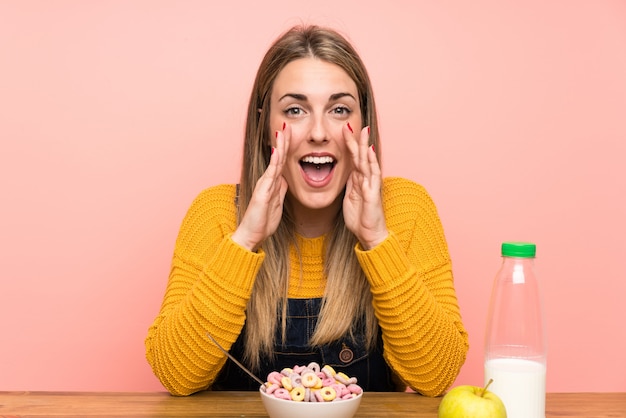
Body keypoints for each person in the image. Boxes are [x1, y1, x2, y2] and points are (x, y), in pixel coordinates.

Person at [145, 24, 468, 397]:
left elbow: (436, 376)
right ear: (266, 126)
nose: (318, 131)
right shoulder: (216, 214)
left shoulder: (405, 209)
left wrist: (377, 240)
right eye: (295, 110)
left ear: (363, 125)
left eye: (339, 109)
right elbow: (176, 375)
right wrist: (245, 240)